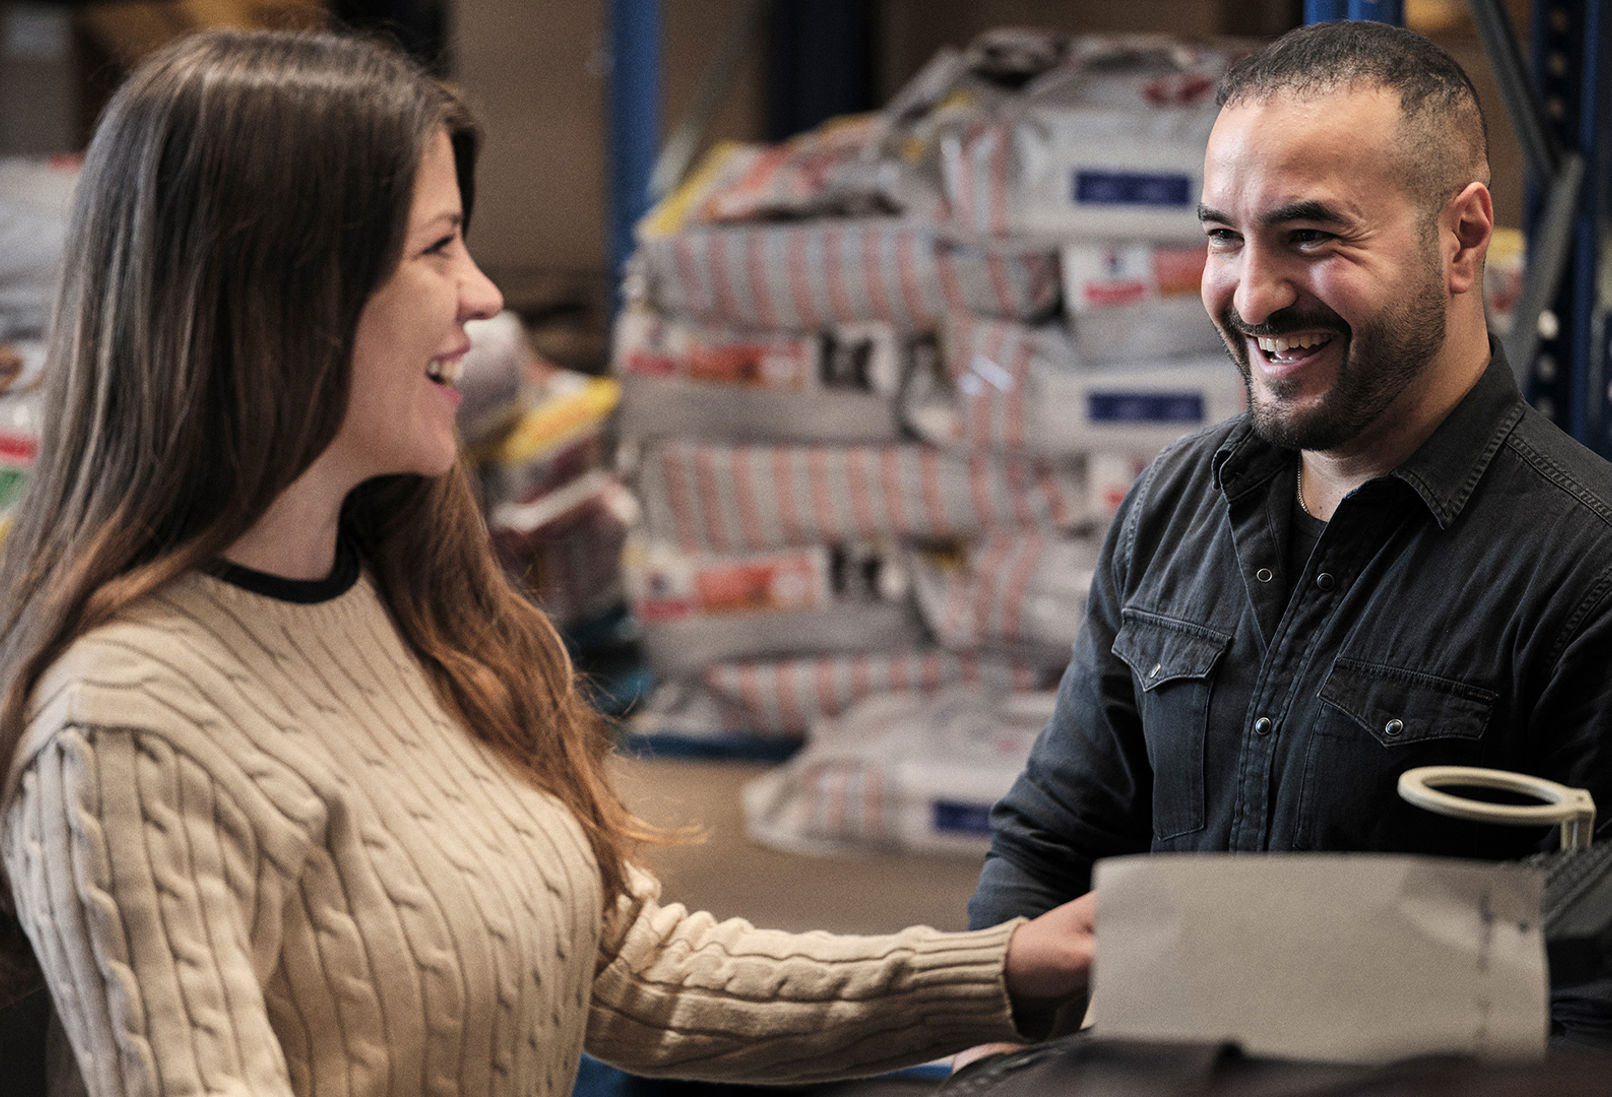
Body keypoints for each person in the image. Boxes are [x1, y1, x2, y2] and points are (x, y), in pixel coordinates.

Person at [0, 28, 1097, 1097]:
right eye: (437, 248)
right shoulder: (127, 728)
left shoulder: (411, 604)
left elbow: (626, 971)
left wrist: (1001, 970)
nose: (484, 296)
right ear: (281, 298)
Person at [967, 18, 1612, 1051]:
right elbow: (1050, 841)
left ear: (1461, 237)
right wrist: (987, 1056)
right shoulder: (1177, 503)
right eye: (1225, 234)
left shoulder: (1585, 570)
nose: (1252, 293)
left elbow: (1590, 1008)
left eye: (1310, 236)